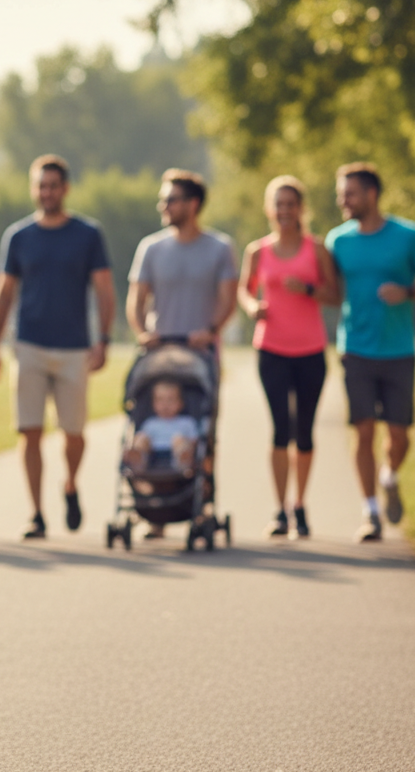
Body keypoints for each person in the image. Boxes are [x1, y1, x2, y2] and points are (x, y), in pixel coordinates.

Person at [0, 155, 115, 539]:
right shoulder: (19, 236)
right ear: (34, 189)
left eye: (54, 186)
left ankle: (71, 484)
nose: (47, 192)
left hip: (74, 346)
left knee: (73, 432)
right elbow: (4, 293)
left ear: (65, 189)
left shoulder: (88, 234)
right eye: (41, 186)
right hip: (28, 345)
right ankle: (36, 513)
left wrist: (103, 339)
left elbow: (105, 290)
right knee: (29, 431)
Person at [326, 163, 415, 542]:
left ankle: (389, 476)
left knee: (399, 434)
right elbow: (328, 289)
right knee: (363, 432)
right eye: (341, 193)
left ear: (371, 195)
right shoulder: (338, 241)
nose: (343, 200)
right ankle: (371, 512)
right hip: (355, 349)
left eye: (350, 194)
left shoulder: (408, 235)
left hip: (398, 350)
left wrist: (406, 292)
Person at [126, 169, 236, 537]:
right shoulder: (152, 248)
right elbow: (137, 298)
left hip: (201, 355)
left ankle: (200, 506)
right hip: (161, 356)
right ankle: (156, 515)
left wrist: (212, 330)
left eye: (170, 199)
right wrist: (142, 331)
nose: (163, 205)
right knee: (150, 434)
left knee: (204, 435)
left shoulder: (219, 248)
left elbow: (227, 298)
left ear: (192, 204)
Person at [238, 177, 338, 539]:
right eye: (278, 204)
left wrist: (308, 289)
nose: (284, 211)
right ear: (270, 209)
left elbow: (334, 294)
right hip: (271, 350)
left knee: (305, 432)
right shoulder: (257, 251)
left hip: (310, 351)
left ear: (300, 209)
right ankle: (280, 510)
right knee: (281, 428)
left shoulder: (317, 249)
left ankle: (301, 506)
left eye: (290, 204)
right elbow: (244, 290)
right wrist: (253, 308)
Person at [123, 380, 199, 475]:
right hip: (152, 455)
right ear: (153, 403)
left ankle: (183, 460)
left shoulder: (186, 422)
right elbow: (142, 437)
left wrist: (188, 446)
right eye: (160, 400)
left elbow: (195, 441)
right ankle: (137, 458)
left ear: (180, 403)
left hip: (176, 454)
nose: (165, 405)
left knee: (179, 440)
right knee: (142, 437)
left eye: (170, 400)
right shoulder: (150, 423)